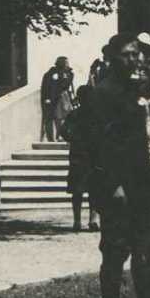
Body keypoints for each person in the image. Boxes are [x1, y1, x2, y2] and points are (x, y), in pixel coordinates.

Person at [67, 33, 150, 298]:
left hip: (139, 184)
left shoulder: (133, 92)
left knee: (145, 248)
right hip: (116, 188)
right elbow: (98, 146)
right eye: (126, 55)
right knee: (115, 252)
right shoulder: (102, 94)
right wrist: (112, 186)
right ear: (111, 57)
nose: (133, 60)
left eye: (136, 54)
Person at [63, 86, 99, 233]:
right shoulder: (94, 115)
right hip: (89, 156)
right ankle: (91, 220)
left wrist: (73, 139)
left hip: (82, 156)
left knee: (80, 191)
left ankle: (79, 221)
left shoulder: (75, 115)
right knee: (92, 190)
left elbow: (64, 132)